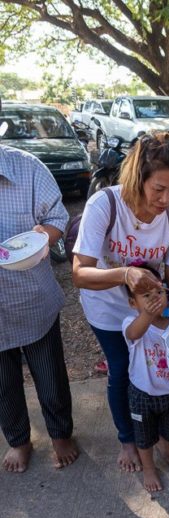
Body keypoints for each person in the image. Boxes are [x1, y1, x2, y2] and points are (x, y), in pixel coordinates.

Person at [73, 133, 169, 473]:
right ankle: (128, 439)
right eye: (159, 189)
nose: (166, 198)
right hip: (106, 307)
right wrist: (124, 274)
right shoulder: (106, 205)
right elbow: (80, 273)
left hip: (149, 304)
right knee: (122, 370)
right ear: (137, 177)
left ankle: (153, 434)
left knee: (156, 367)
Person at [0, 145, 78, 472]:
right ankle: (19, 440)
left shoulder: (27, 169)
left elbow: (57, 219)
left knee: (50, 377)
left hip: (32, 299)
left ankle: (61, 435)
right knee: (3, 385)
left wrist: (43, 236)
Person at [123, 264, 169, 492]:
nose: (155, 298)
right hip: (142, 394)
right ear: (132, 303)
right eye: (146, 295)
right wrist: (147, 314)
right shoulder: (130, 324)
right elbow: (133, 334)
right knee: (144, 437)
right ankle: (148, 468)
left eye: (159, 292)